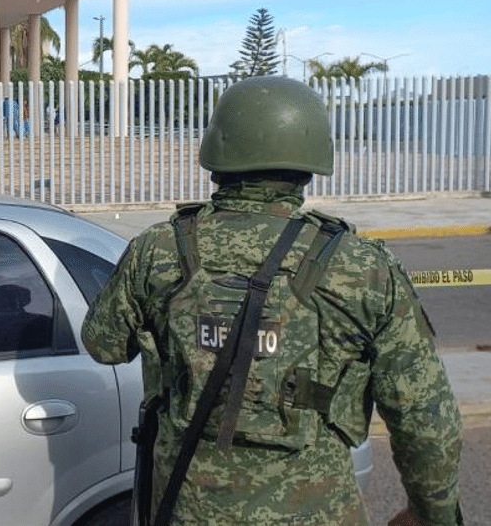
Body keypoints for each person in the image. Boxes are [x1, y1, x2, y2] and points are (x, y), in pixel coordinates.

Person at [82, 76, 463, 526]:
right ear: (310, 162)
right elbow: (425, 417)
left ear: (216, 156)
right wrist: (431, 514)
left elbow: (102, 344)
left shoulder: (159, 249)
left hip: (185, 509)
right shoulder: (362, 266)